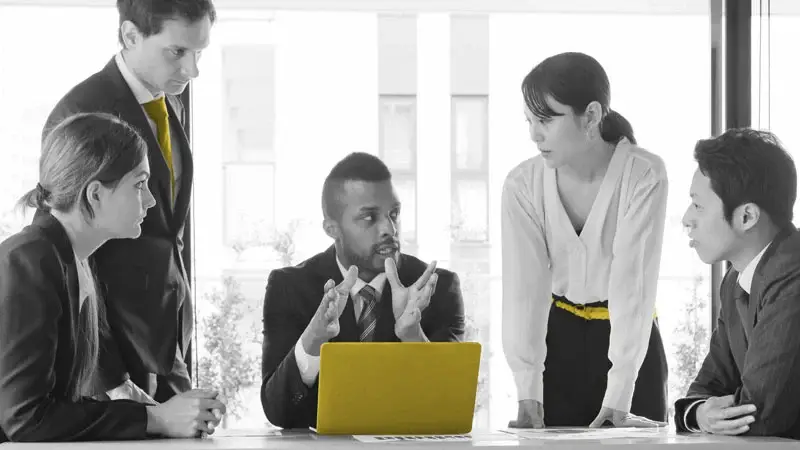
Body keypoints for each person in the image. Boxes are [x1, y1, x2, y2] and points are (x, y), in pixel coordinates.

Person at [0, 112, 226, 442]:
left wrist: (164, 414)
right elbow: (26, 420)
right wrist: (155, 418)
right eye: (139, 184)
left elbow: (58, 407)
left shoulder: (69, 259)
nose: (150, 200)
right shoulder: (28, 261)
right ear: (94, 194)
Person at [41, 0, 216, 403]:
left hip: (165, 338)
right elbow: (66, 253)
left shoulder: (167, 100)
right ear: (130, 35)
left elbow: (167, 230)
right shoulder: (81, 112)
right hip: (110, 351)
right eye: (177, 53)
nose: (193, 71)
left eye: (199, 53)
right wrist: (110, 378)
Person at [501, 52, 669, 428]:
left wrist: (621, 387)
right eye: (529, 120)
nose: (534, 134)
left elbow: (633, 284)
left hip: (631, 343)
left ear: (591, 116)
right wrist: (527, 387)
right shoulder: (521, 184)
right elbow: (523, 290)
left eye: (545, 119)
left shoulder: (644, 173)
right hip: (558, 340)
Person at [260, 152, 466, 428]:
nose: (389, 229)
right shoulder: (290, 287)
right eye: (369, 218)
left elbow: (452, 407)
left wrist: (413, 336)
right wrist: (314, 338)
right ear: (332, 229)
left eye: (394, 214)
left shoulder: (435, 287)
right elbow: (278, 412)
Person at [674, 129, 800, 439]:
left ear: (746, 217)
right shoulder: (735, 282)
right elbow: (705, 390)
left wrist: (705, 413)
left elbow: (759, 415)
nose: (686, 219)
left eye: (699, 206)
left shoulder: (793, 273)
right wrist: (700, 413)